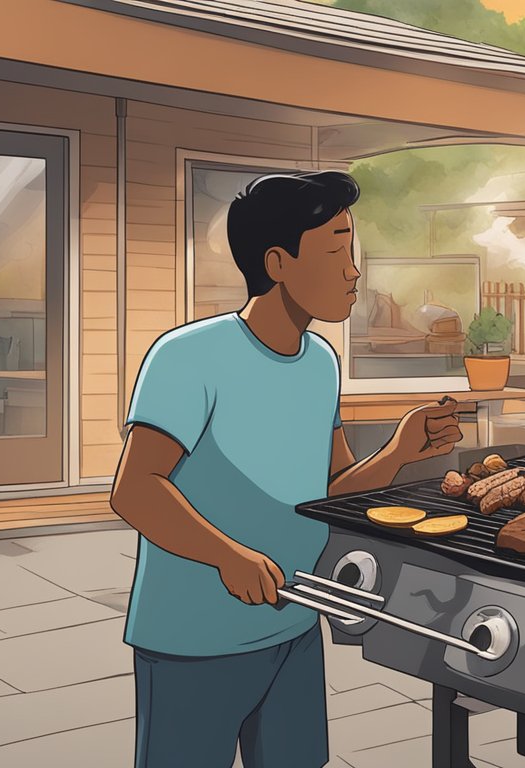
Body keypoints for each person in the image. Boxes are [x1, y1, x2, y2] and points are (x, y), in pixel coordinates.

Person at [110, 170, 463, 768]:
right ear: (278, 262)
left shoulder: (320, 362)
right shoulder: (188, 356)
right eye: (336, 250)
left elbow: (329, 494)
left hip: (294, 626)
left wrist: (398, 453)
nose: (354, 271)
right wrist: (229, 555)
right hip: (194, 640)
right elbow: (136, 490)